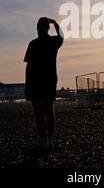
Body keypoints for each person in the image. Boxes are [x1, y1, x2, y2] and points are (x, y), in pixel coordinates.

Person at [24, 17, 64, 151]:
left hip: (36, 83)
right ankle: (49, 140)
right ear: (47, 28)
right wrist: (55, 23)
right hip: (50, 81)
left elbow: (28, 67)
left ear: (37, 27)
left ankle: (43, 141)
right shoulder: (53, 42)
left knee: (39, 114)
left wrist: (27, 85)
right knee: (49, 111)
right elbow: (62, 35)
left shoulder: (33, 44)